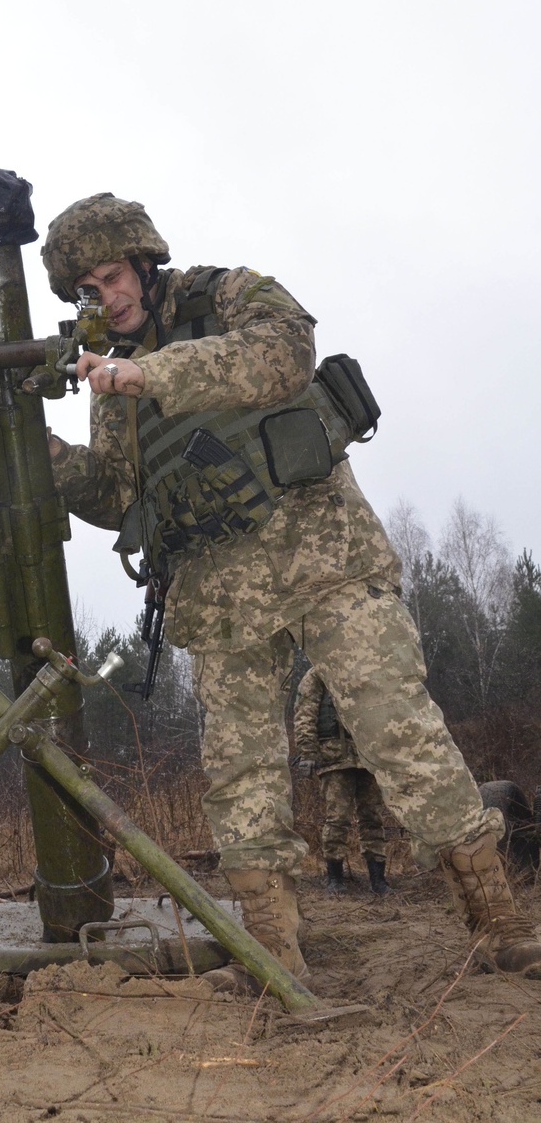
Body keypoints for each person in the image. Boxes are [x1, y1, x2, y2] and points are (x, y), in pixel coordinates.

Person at [41, 193, 541, 988]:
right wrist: (40, 450)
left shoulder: (226, 294)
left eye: (117, 274)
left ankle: (499, 925)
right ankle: (273, 948)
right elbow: (113, 493)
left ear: (143, 262)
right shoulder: (110, 382)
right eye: (92, 289)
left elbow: (285, 352)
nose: (113, 295)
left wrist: (150, 371)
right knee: (240, 774)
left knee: (398, 732)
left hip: (322, 559)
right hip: (218, 593)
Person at [293, 664, 391, 895]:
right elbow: (305, 713)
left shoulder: (366, 670)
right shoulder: (317, 674)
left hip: (368, 755)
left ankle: (378, 880)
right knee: (337, 818)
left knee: (373, 817)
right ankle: (335, 878)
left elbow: (385, 711)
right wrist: (307, 752)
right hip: (334, 758)